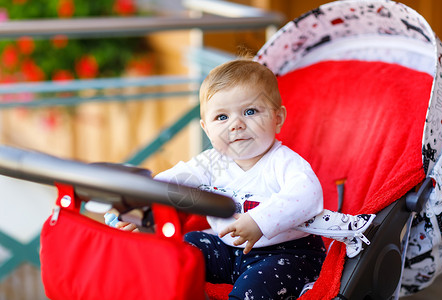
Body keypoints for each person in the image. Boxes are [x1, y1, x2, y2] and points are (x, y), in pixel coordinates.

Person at [112, 59, 374, 299]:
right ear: (206, 128)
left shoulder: (284, 162)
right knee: (181, 249)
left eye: (250, 112)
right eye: (222, 117)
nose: (235, 124)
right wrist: (143, 204)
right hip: (227, 250)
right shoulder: (211, 161)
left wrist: (260, 221)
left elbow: (307, 196)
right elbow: (177, 179)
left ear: (277, 118)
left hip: (286, 253)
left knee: (253, 290)